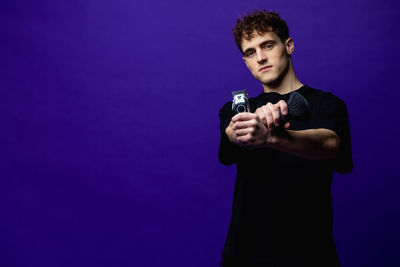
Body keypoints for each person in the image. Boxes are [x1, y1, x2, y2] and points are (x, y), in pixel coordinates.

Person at [218, 10, 353, 267]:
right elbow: (233, 133)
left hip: (311, 255)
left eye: (267, 45)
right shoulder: (238, 106)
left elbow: (330, 143)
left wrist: (274, 137)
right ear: (245, 61)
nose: (260, 58)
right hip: (244, 256)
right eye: (250, 52)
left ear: (288, 45)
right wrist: (250, 127)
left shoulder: (328, 104)